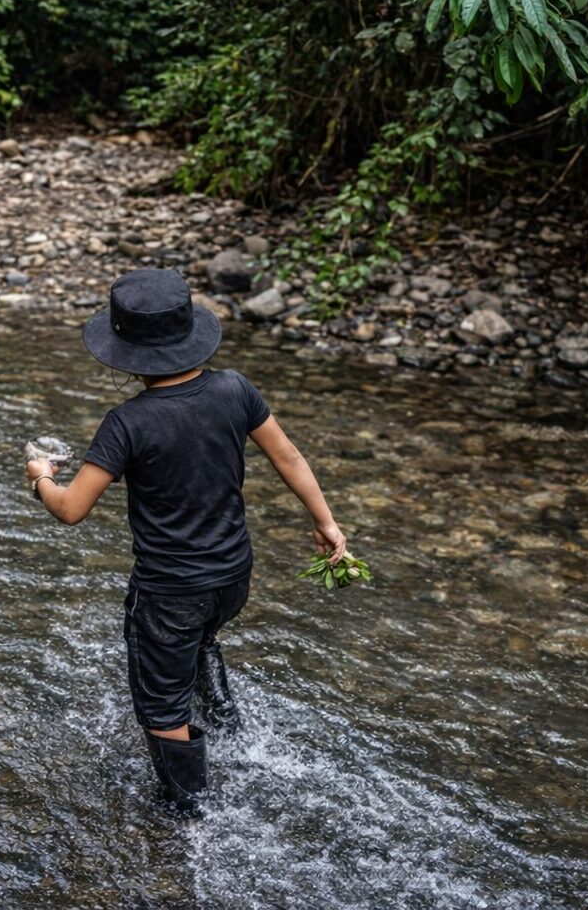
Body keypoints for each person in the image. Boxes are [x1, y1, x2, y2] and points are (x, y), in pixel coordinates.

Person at [25, 268, 348, 818]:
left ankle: (189, 813)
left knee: (160, 704)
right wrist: (326, 522)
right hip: (233, 576)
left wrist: (39, 476)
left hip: (170, 591)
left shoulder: (126, 423)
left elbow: (71, 509)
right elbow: (288, 455)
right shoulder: (234, 389)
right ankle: (221, 711)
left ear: (124, 350)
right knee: (200, 632)